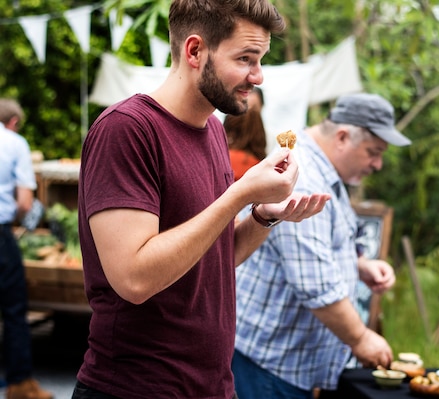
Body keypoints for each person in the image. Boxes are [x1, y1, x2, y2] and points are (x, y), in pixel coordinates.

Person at [72, 1, 330, 398]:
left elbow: (211, 258)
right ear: (195, 51)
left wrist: (262, 215)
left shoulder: (212, 129)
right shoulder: (126, 129)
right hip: (134, 389)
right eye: (246, 58)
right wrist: (239, 194)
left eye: (260, 60)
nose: (257, 76)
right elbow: (134, 279)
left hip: (212, 387)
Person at [232, 92, 412, 398]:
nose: (378, 164)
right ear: (342, 137)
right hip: (267, 368)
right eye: (374, 152)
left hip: (283, 365)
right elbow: (313, 282)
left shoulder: (324, 170)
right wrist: (360, 338)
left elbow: (312, 250)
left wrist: (359, 267)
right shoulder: (303, 177)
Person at [0, 98, 53, 399]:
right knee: (14, 309)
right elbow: (24, 201)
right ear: (14, 122)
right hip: (1, 235)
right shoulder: (14, 143)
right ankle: (19, 383)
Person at [225, 88, 267, 180]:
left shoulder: (223, 159)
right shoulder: (260, 169)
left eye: (253, 107)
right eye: (245, 106)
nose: (248, 111)